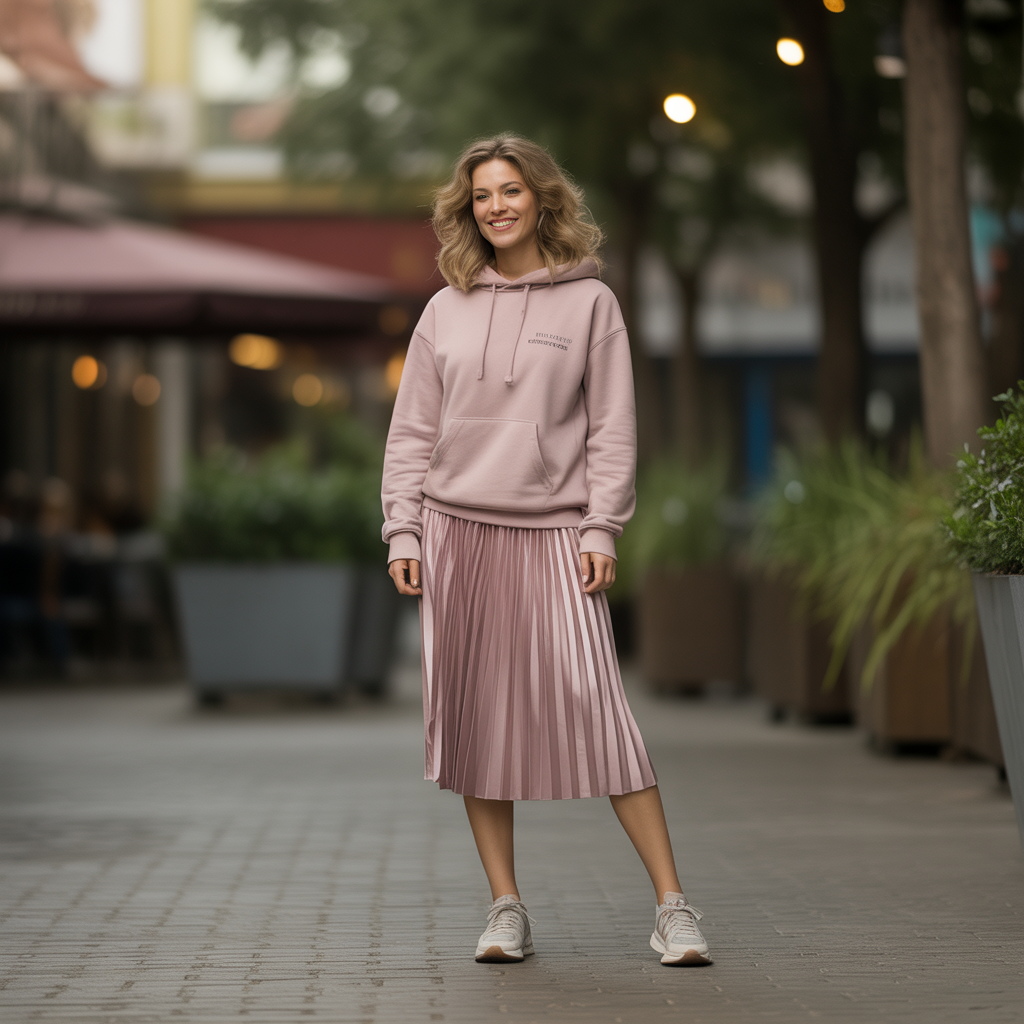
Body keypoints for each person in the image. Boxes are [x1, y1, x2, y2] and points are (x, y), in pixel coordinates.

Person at [381, 134, 711, 967]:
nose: (496, 206)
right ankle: (505, 907)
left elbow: (613, 428)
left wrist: (602, 525)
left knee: (602, 711)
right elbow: (411, 433)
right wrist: (403, 529)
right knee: (474, 724)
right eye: (482, 195)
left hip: (555, 532)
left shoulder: (591, 305)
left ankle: (673, 907)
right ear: (468, 209)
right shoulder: (442, 310)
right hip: (455, 533)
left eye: (510, 191)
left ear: (542, 199)